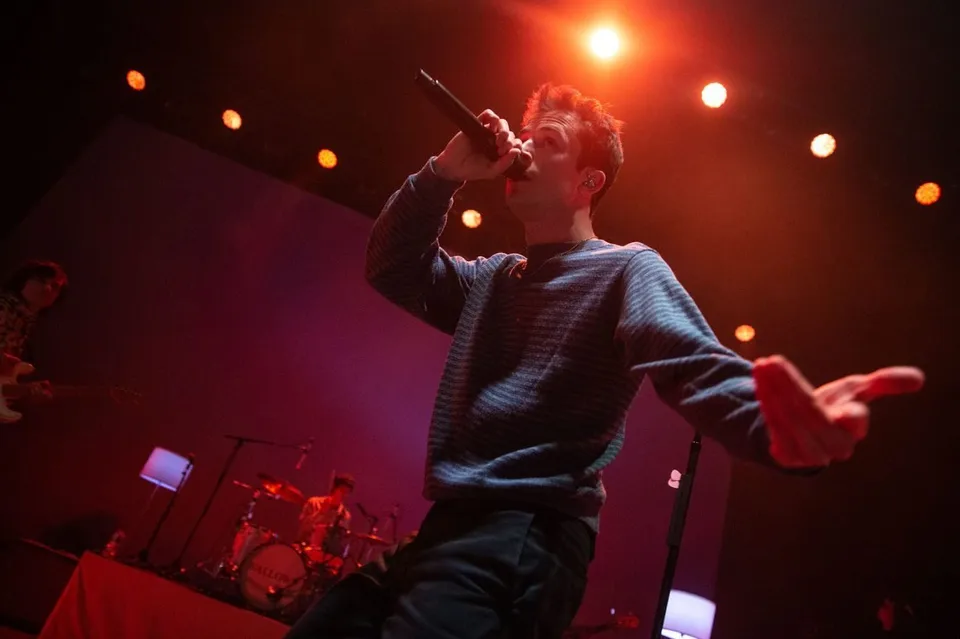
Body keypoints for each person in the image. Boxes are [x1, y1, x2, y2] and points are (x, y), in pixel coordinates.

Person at [285, 84, 924, 638]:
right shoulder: (494, 278)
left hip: (526, 534)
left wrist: (769, 426)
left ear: (589, 182)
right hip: (449, 525)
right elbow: (392, 268)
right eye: (526, 136)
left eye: (549, 142)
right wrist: (443, 172)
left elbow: (687, 359)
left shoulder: (626, 268)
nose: (524, 148)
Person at [297, 473, 355, 570]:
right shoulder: (314, 502)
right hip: (304, 550)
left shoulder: (345, 515)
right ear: (334, 488)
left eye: (347, 492)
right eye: (342, 490)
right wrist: (321, 513)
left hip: (326, 558)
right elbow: (303, 528)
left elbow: (340, 540)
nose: (343, 495)